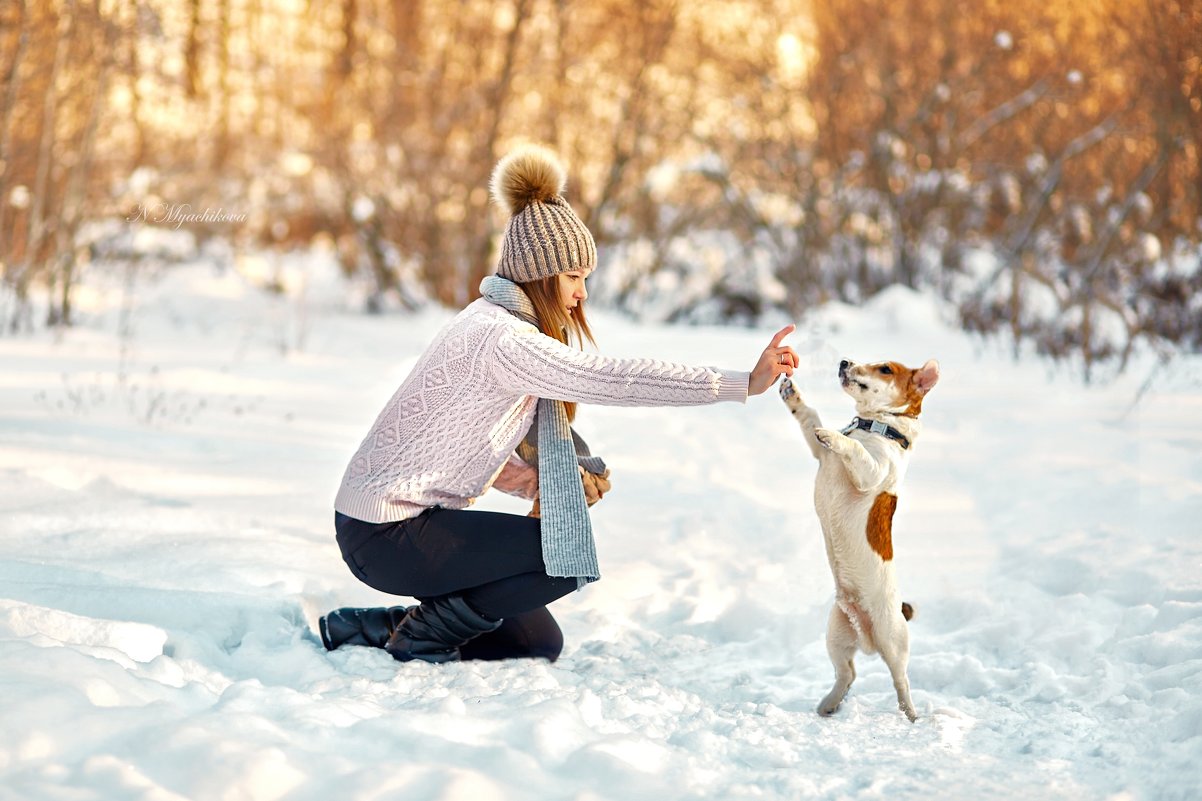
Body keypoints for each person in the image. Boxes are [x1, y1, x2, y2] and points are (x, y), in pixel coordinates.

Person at [319, 144, 799, 664]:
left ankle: (374, 627)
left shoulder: (491, 322)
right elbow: (616, 379)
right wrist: (741, 383)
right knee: (564, 553)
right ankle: (419, 638)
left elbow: (448, 431)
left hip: (388, 526)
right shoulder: (504, 338)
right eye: (573, 277)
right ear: (540, 275)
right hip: (387, 532)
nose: (582, 294)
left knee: (533, 642)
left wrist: (512, 473)